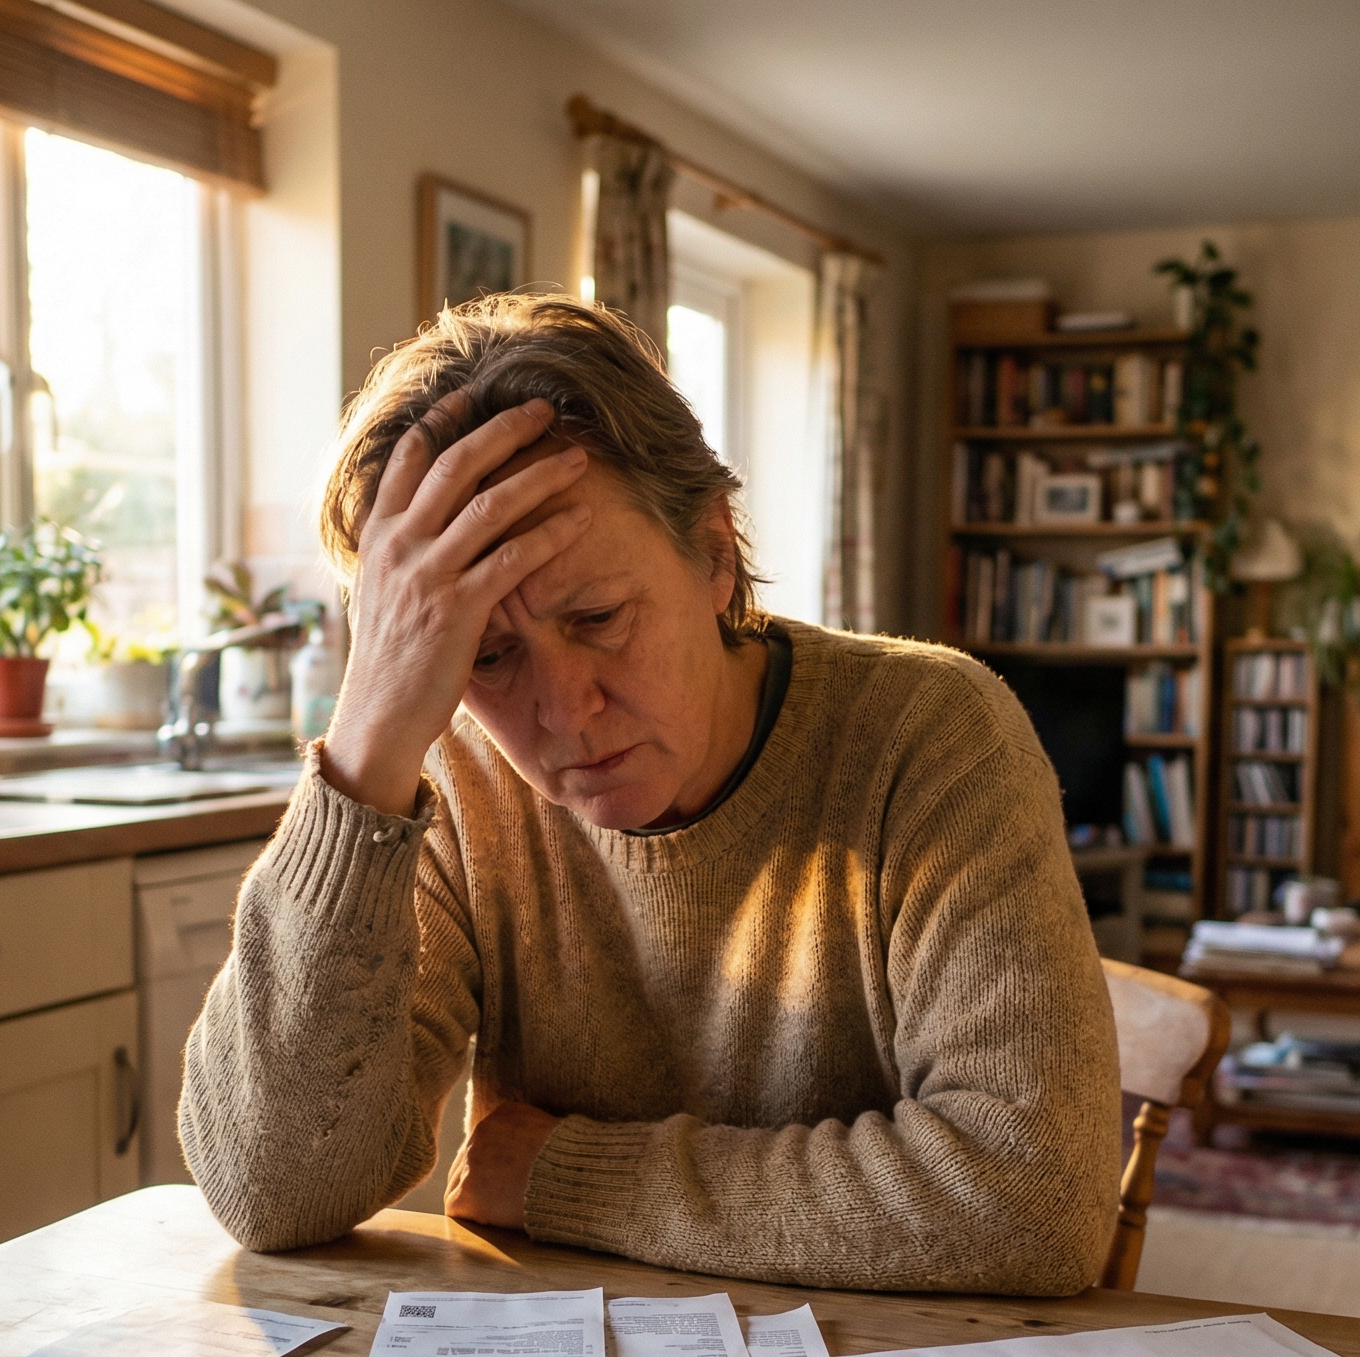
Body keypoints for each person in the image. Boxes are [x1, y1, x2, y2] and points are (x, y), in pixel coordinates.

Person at [180, 294, 1120, 1294]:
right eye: (489, 655)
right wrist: (365, 746)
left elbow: (1034, 1202)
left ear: (715, 552)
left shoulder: (933, 735)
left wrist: (563, 1175)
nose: (567, 712)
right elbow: (269, 1190)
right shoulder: (450, 774)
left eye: (598, 616)